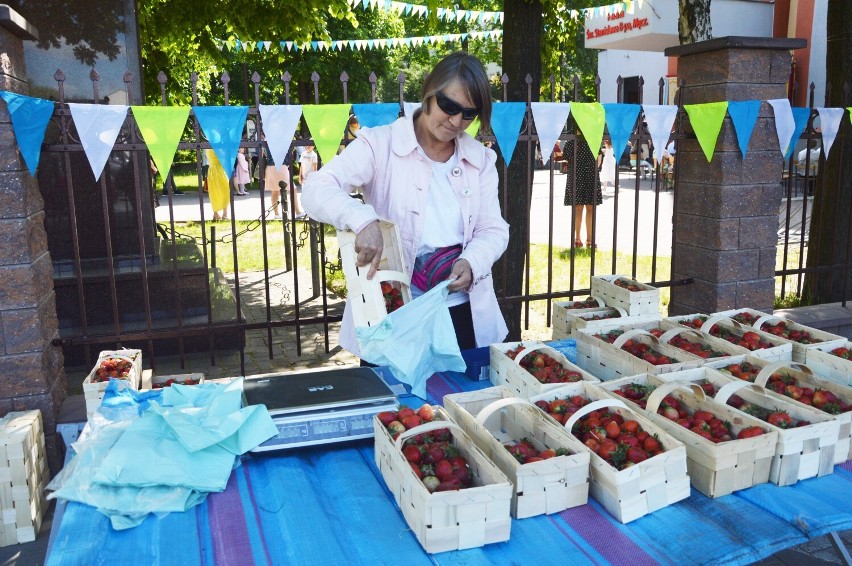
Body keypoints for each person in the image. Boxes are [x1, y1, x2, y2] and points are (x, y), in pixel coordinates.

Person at [302, 51, 509, 356]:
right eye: (449, 106)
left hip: (460, 312)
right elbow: (316, 188)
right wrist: (362, 220)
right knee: (393, 402)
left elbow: (493, 229)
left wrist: (472, 261)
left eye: (468, 114)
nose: (455, 121)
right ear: (428, 90)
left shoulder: (480, 160)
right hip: (391, 311)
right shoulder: (380, 144)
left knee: (459, 400)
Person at [564, 131, 603, 249]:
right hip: (589, 174)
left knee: (579, 208)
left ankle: (579, 239)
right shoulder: (593, 139)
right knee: (587, 208)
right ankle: (587, 240)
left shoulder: (570, 141)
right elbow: (599, 160)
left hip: (577, 175)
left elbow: (565, 159)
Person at [205, 148, 230, 221]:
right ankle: (225, 214)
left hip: (211, 171)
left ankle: (215, 214)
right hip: (219, 171)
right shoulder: (218, 148)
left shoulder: (207, 148)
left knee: (213, 193)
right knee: (225, 192)